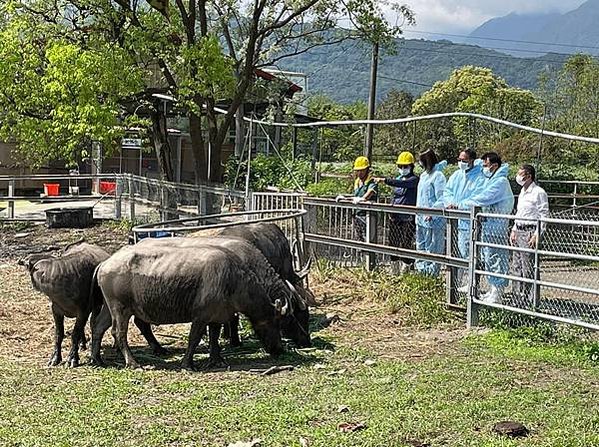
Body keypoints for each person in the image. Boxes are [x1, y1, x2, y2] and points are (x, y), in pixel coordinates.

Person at [457, 152, 514, 304]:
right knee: (488, 258)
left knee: (497, 258)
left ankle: (498, 291)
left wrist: (463, 204)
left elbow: (484, 197)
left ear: (494, 166)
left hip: (497, 226)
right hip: (489, 226)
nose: (483, 168)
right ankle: (492, 289)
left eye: (485, 165)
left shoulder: (500, 182)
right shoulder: (491, 179)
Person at [443, 148, 486, 292]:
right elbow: (447, 191)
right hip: (455, 221)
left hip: (470, 221)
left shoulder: (479, 177)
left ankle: (473, 284)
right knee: (457, 253)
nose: (461, 163)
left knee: (472, 254)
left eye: (464, 160)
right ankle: (455, 283)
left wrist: (460, 205)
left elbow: (477, 197)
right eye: (459, 160)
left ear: (472, 160)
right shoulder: (456, 175)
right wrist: (449, 203)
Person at [373, 151, 419, 274]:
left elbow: (402, 184)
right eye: (400, 167)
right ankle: (394, 268)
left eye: (405, 166)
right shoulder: (398, 178)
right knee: (393, 242)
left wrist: (385, 180)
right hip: (395, 216)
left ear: (411, 166)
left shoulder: (414, 180)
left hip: (408, 217)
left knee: (405, 242)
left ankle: (406, 267)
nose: (403, 169)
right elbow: (395, 195)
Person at [510, 164, 549, 304]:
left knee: (529, 267)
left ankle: (531, 300)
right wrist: (514, 229)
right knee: (516, 266)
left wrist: (538, 233)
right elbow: (520, 212)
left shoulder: (538, 192)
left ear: (529, 176)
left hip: (530, 231)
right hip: (519, 229)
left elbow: (544, 215)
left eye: (521, 174)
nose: (518, 176)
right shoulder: (522, 191)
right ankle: (517, 298)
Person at [415, 149, 447, 276]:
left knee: (433, 248)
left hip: (434, 220)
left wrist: (433, 212)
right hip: (421, 218)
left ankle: (432, 275)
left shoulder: (438, 176)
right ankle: (422, 273)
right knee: (421, 246)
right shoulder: (423, 176)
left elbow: (442, 197)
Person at [336, 156, 378, 241]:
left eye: (362, 170)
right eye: (358, 170)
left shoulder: (372, 181)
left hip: (368, 215)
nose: (360, 173)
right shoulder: (357, 181)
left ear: (367, 169)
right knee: (359, 239)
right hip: (358, 215)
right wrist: (345, 198)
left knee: (369, 240)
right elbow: (356, 196)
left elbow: (368, 194)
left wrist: (361, 199)